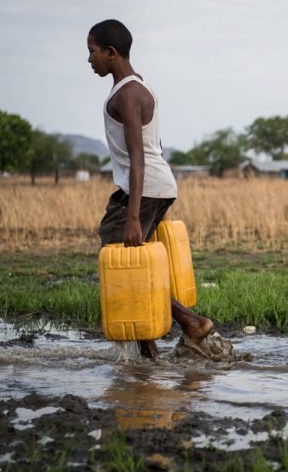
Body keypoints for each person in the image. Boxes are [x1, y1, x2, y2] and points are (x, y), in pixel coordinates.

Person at [87, 19, 213, 360]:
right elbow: (154, 146)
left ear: (111, 53)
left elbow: (139, 156)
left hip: (142, 188)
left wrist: (132, 216)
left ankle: (191, 324)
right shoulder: (141, 88)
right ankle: (149, 351)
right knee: (132, 261)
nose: (90, 60)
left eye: (93, 52)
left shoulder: (127, 94)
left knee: (123, 255)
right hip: (156, 187)